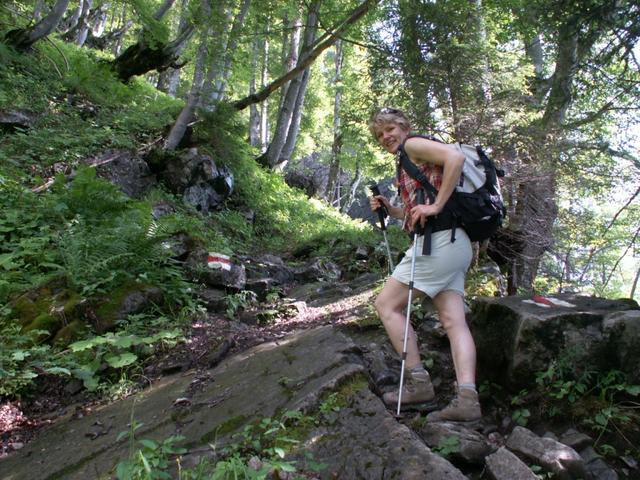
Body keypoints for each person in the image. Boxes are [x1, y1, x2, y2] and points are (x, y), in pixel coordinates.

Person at [368, 107, 481, 422]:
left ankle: (419, 384)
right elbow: (416, 212)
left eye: (390, 129)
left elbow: (455, 158)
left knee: (386, 305)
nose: (386, 137)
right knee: (454, 321)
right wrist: (392, 210)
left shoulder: (413, 145)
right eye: (380, 134)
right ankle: (468, 399)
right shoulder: (408, 158)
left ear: (404, 127)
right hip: (456, 244)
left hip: (438, 244)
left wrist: (437, 205)